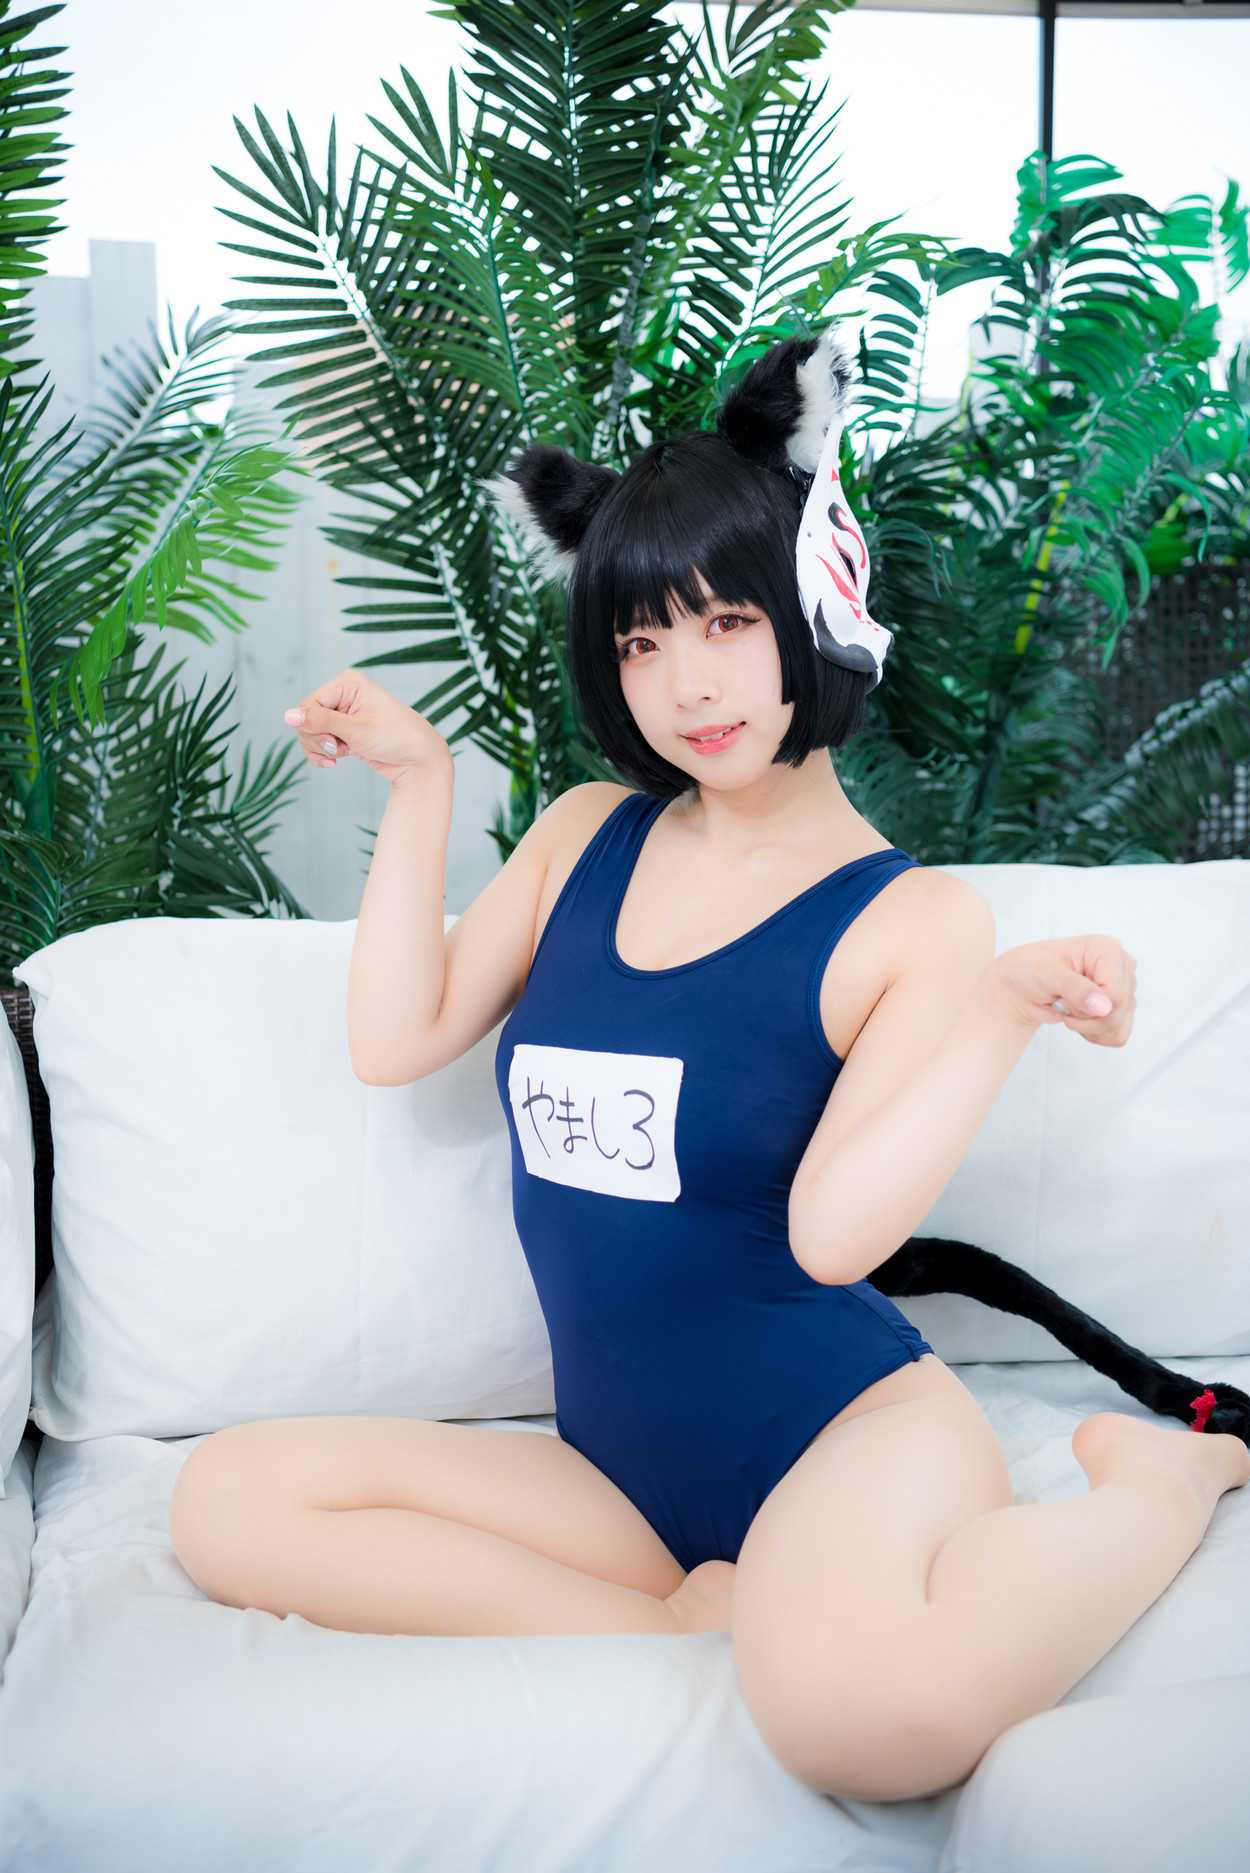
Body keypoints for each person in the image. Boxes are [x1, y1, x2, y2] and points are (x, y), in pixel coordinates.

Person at [168, 328, 1249, 1804]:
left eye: (726, 622)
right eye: (640, 642)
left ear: (813, 606)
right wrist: (422, 786)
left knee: (861, 1726)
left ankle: (1169, 1484)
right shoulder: (580, 838)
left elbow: (832, 1238)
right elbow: (392, 1039)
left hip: (845, 1438)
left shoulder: (912, 919)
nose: (686, 684)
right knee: (228, 1497)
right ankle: (680, 1624)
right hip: (615, 1472)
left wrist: (996, 1013)